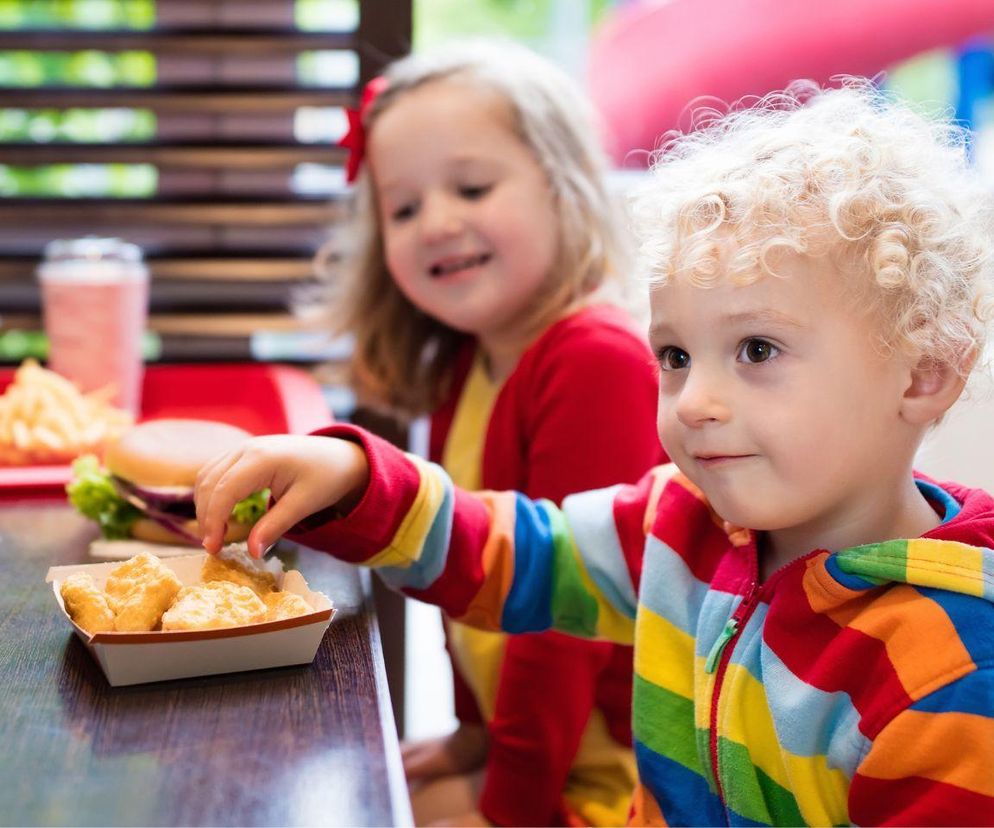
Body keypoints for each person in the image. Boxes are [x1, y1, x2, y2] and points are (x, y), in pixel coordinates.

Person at [197, 79, 994, 825]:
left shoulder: (950, 680)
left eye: (756, 349)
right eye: (676, 358)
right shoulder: (679, 525)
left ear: (924, 373)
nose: (696, 402)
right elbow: (517, 555)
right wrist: (355, 479)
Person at [315, 41, 663, 826]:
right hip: (541, 752)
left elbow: (560, 621)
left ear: (562, 187)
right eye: (402, 207)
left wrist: (512, 804)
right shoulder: (467, 362)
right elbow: (465, 575)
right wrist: (476, 736)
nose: (436, 221)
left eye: (471, 187)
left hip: (618, 779)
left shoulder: (596, 361)